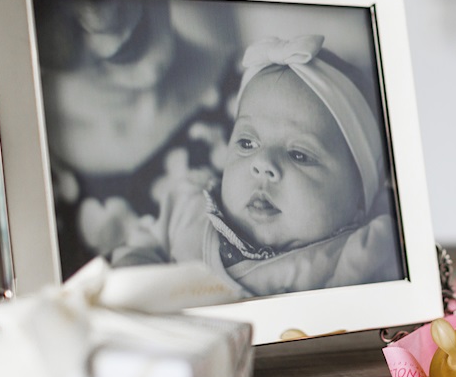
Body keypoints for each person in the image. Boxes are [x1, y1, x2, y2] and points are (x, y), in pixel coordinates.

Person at [103, 35, 402, 299]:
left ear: (360, 198)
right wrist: (134, 269)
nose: (263, 164)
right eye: (247, 144)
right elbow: (141, 245)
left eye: (299, 154)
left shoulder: (358, 254)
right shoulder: (186, 208)